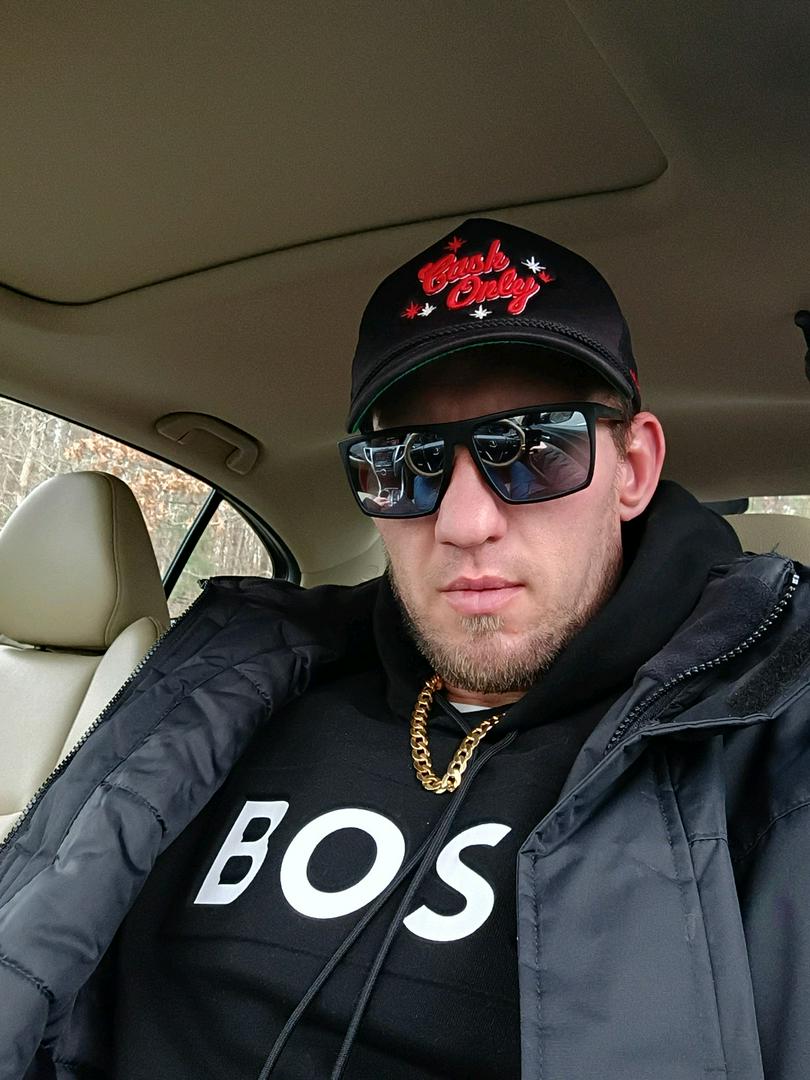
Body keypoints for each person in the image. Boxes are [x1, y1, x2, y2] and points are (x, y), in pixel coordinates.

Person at [1, 218, 809, 1080]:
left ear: (633, 469)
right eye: (406, 464)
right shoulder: (231, 698)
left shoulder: (765, 751)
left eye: (533, 450)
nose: (464, 522)